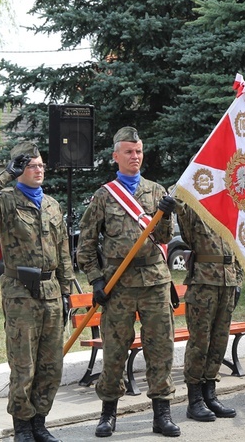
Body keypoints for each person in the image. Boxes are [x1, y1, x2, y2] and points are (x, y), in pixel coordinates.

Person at [77, 127, 180, 438]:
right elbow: (86, 243)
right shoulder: (104, 196)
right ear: (115, 157)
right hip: (118, 285)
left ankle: (161, 413)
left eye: (138, 151)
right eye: (128, 152)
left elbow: (163, 238)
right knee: (115, 351)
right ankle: (108, 413)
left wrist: (164, 215)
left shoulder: (157, 191)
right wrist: (96, 280)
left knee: (160, 349)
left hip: (154, 282)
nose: (135, 157)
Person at [0, 142, 75, 442]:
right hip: (20, 294)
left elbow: (63, 251)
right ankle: (23, 427)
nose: (39, 169)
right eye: (31, 166)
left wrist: (67, 292)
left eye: (41, 165)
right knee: (23, 364)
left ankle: (40, 422)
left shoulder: (52, 205)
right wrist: (6, 174)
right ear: (19, 169)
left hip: (52, 291)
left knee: (51, 364)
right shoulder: (5, 202)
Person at [174, 195, 240, 421]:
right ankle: (195, 400)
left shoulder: (229, 209)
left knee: (219, 341)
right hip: (203, 283)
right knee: (200, 342)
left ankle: (210, 394)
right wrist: (181, 200)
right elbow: (182, 217)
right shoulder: (193, 206)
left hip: (227, 282)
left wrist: (237, 279)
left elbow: (237, 248)